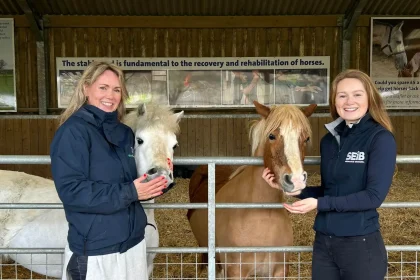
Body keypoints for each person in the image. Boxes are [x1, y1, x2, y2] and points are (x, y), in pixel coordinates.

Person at [263, 69, 396, 280]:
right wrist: (295, 189)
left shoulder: (380, 139)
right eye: (342, 95)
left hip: (360, 244)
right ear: (334, 101)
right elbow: (329, 191)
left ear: (370, 98)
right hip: (324, 243)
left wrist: (319, 205)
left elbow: (373, 197)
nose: (349, 101)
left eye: (357, 94)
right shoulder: (329, 142)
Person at [50, 60, 168, 280]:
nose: (111, 95)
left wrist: (158, 180)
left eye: (116, 90)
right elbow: (72, 191)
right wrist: (132, 192)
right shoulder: (72, 133)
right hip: (96, 250)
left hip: (133, 245)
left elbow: (131, 181)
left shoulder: (124, 133)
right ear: (86, 88)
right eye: (103, 88)